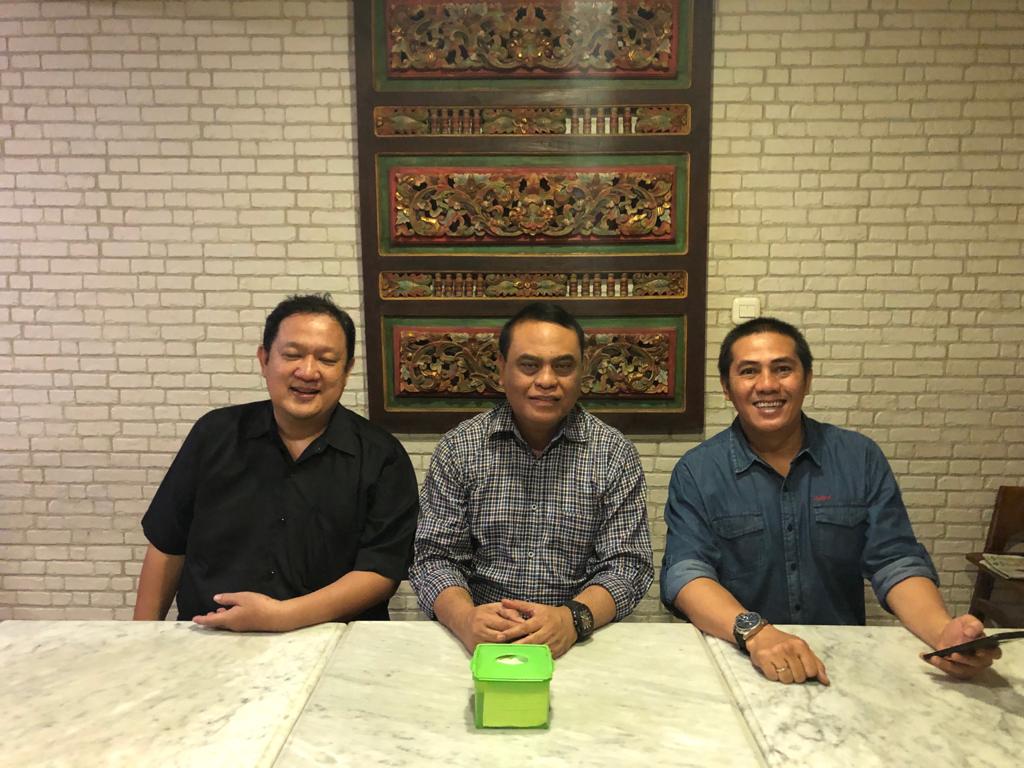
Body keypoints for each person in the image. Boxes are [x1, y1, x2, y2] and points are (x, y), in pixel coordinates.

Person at [661, 317, 1000, 684]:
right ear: (727, 388)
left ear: (807, 379)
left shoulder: (859, 457)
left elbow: (894, 560)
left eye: (783, 369)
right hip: (738, 660)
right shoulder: (698, 471)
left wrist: (942, 633)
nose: (767, 384)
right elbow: (686, 573)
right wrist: (757, 633)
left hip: (841, 666)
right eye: (749, 371)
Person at [133, 293, 419, 631]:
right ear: (264, 359)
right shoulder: (214, 435)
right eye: (292, 355)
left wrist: (282, 617)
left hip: (334, 641)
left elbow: (381, 570)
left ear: (346, 370)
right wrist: (142, 637)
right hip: (209, 638)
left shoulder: (382, 456)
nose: (308, 371)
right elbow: (167, 545)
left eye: (327, 359)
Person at [410, 302, 654, 658]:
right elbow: (434, 558)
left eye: (563, 366)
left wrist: (571, 619)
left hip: (577, 641)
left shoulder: (614, 454)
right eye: (529, 365)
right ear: (501, 369)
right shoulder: (459, 448)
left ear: (582, 371)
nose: (546, 380)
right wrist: (465, 619)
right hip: (478, 639)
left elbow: (628, 564)